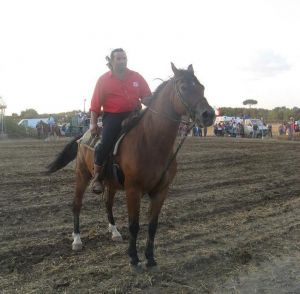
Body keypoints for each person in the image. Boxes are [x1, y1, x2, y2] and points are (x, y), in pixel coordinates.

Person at [89, 48, 152, 193]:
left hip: (135, 114)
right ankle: (97, 176)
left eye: (124, 58)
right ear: (112, 61)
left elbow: (147, 97)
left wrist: (158, 99)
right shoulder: (103, 80)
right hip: (113, 117)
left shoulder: (136, 77)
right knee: (105, 143)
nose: (122, 61)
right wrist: (93, 124)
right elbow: (95, 105)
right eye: (119, 58)